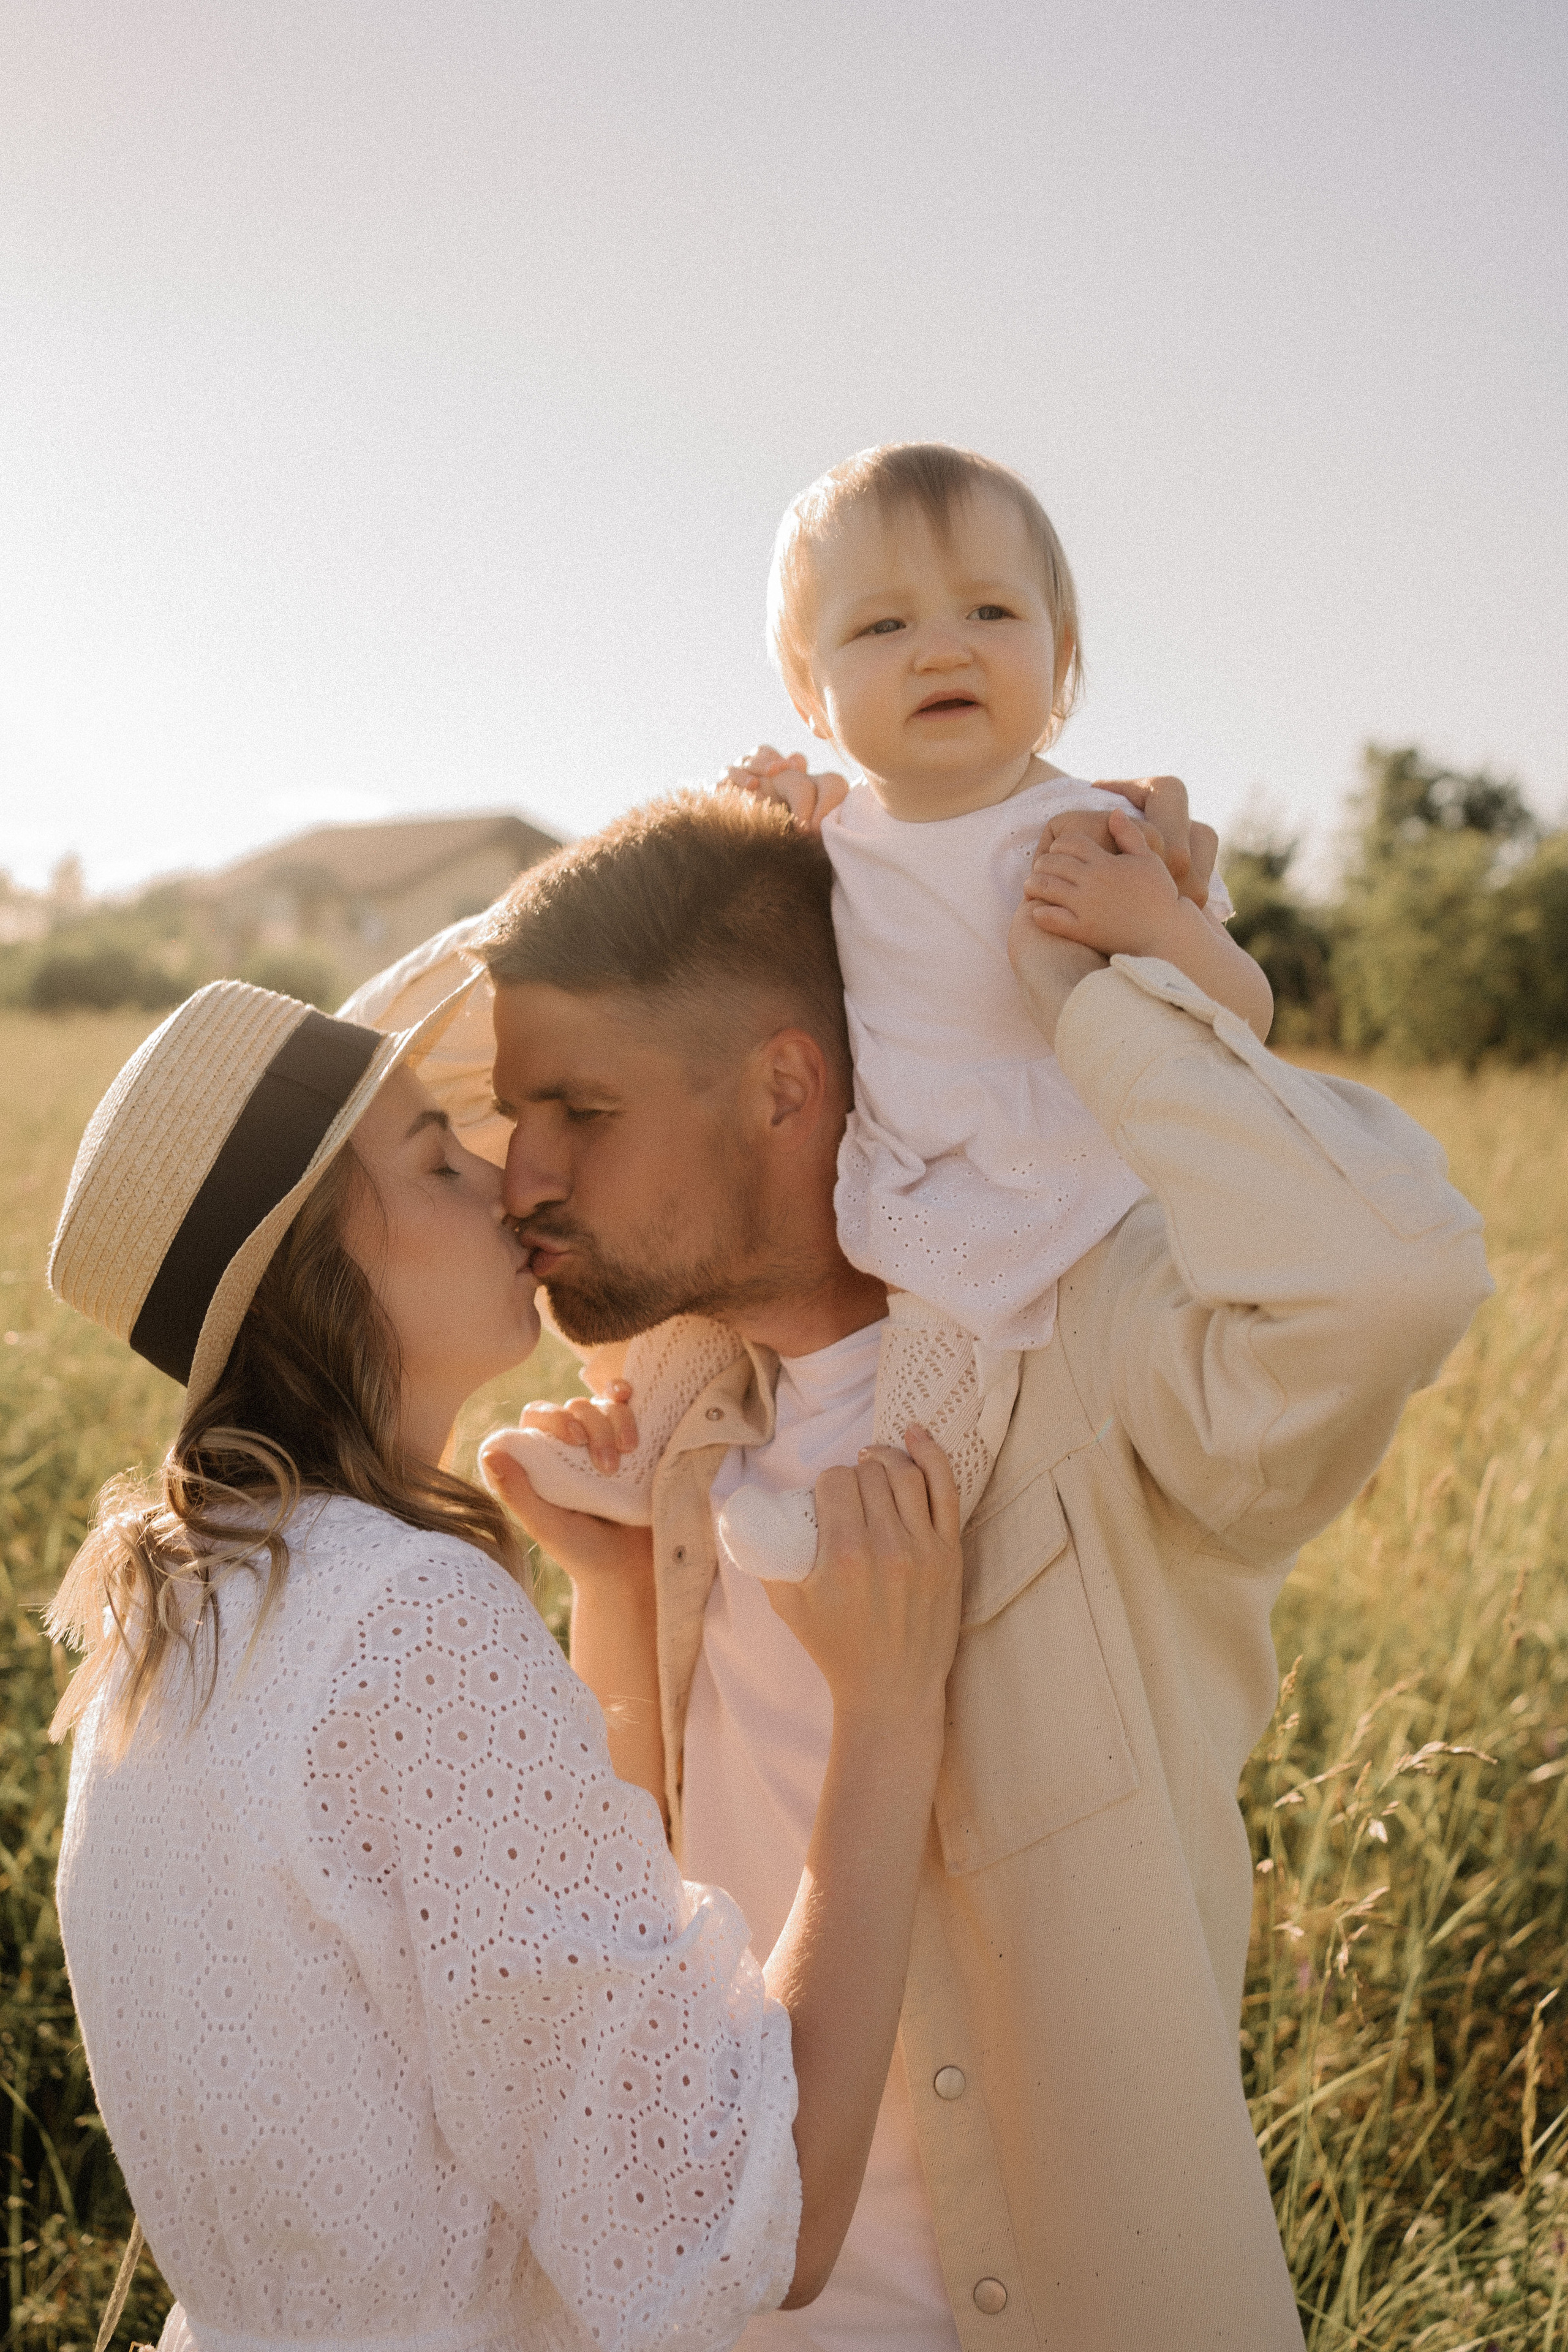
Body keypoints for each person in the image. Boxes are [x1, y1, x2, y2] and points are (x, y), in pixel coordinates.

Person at [390, 783, 1488, 2352]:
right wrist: (615, 1592)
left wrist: (1106, 998)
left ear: (784, 1088)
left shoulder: (1090, 1357)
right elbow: (651, 1908)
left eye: (583, 1110)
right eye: (514, 1119)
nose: (522, 1174)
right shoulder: (689, 1419)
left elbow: (1390, 1280)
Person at [43, 973, 970, 2352]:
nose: (501, 1184)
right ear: (318, 1262)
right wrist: (887, 1714)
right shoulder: (402, 1617)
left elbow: (532, 1982)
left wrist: (607, 1595)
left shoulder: (178, 1616)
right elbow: (740, 2214)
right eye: (432, 1156)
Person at [500, 444, 1277, 1581]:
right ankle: (643, 1456)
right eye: (883, 628)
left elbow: (1245, 1015)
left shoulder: (1095, 832)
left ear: (1061, 659)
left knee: (945, 1367)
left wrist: (1157, 922)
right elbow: (732, 945)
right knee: (700, 1309)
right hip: (886, 1152)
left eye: (991, 611)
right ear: (811, 694)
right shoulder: (842, 837)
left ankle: (858, 1529)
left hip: (1025, 1177)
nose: (945, 647)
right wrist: (752, 811)